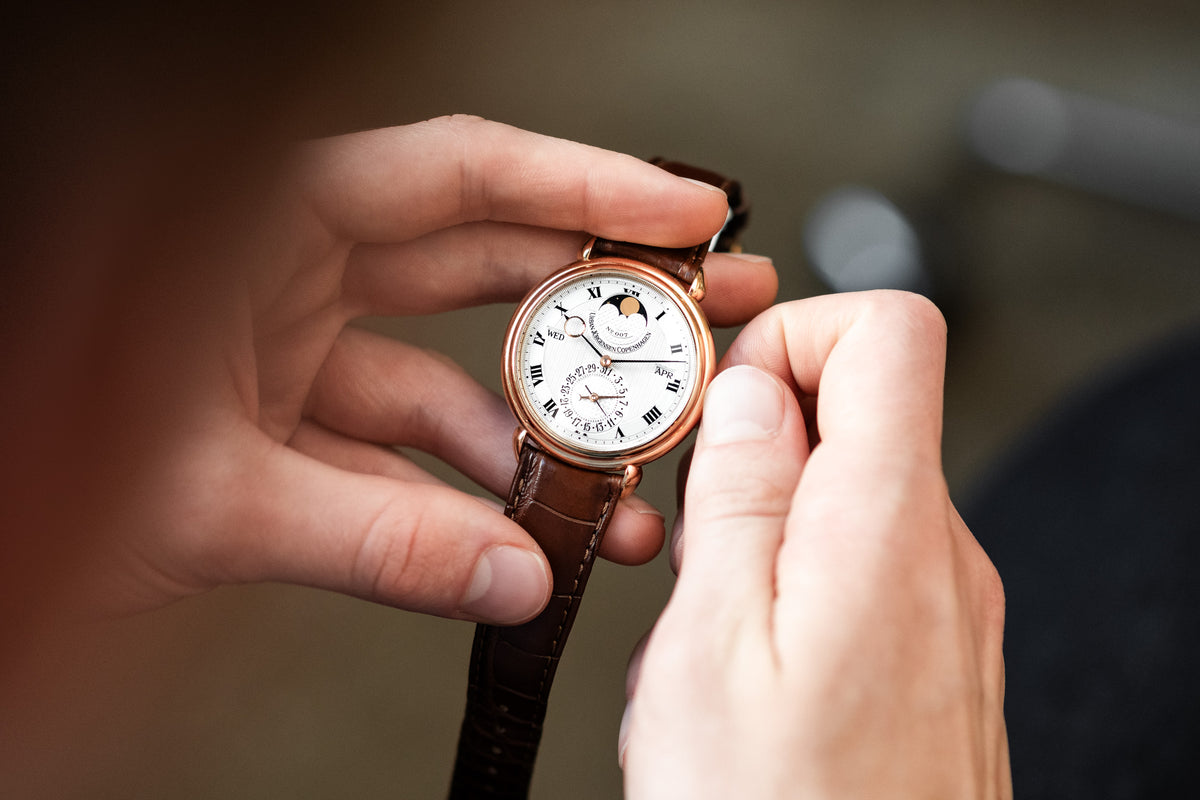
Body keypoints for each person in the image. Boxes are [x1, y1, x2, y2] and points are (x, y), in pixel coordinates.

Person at [0, 116, 1008, 797]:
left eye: (640, 351)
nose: (607, 359)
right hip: (563, 447)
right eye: (591, 338)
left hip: (583, 456)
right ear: (543, 328)